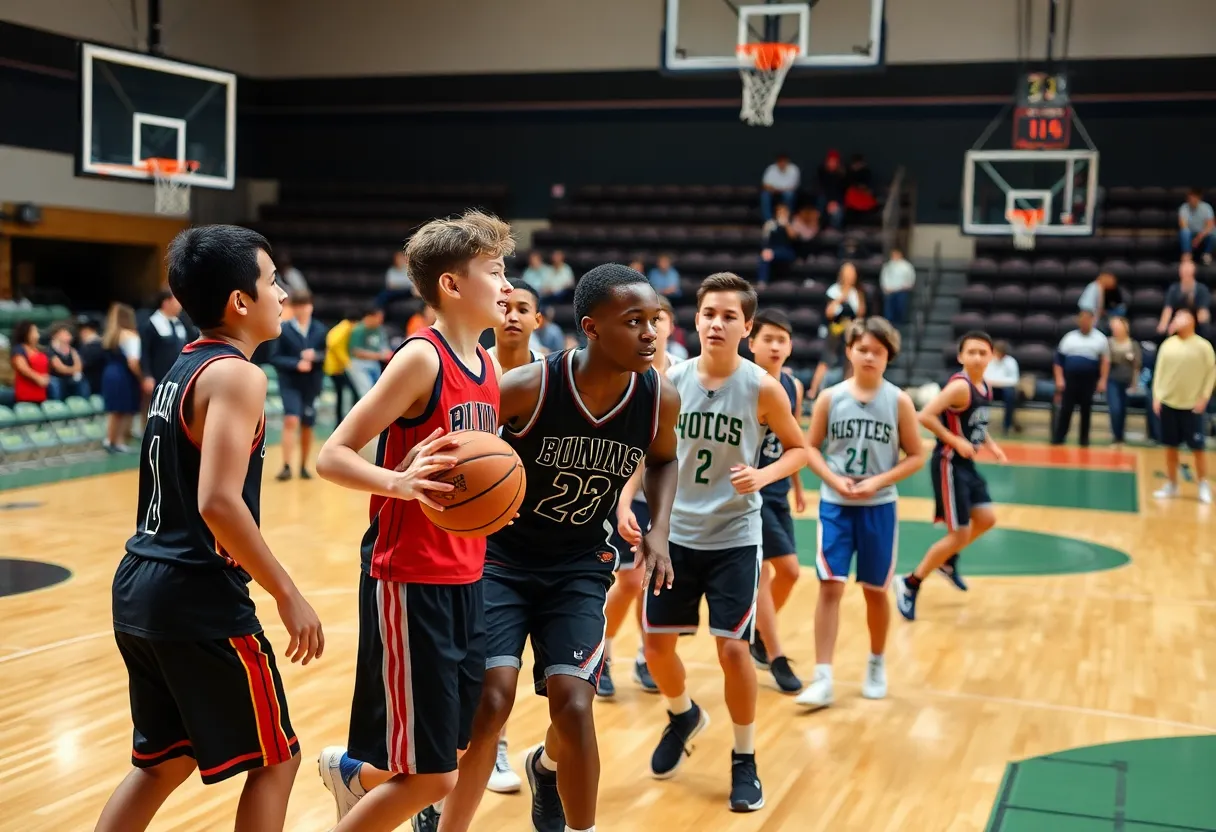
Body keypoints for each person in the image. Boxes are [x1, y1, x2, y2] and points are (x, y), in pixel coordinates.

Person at [429, 263, 680, 832]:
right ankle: (445, 818)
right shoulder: (528, 388)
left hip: (578, 567)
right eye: (633, 321)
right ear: (591, 328)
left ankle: (561, 797)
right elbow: (456, 456)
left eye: (655, 321)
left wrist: (659, 530)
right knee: (491, 701)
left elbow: (663, 459)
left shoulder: (658, 398)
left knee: (572, 703)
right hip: (501, 561)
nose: (649, 333)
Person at [96, 225, 322, 832]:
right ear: (239, 301)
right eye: (272, 282)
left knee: (162, 762)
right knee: (278, 758)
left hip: (141, 579)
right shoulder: (237, 375)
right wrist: (288, 593)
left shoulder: (182, 368)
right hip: (196, 593)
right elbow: (219, 502)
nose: (282, 294)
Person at [312, 210, 515, 832]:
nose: (507, 285)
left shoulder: (491, 370)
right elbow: (333, 454)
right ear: (451, 286)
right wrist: (397, 482)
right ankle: (353, 777)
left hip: (467, 578)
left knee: (445, 754)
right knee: (433, 777)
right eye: (495, 271)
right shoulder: (421, 360)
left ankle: (351, 775)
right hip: (409, 578)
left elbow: (483, 480)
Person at [641, 272, 808, 813]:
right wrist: (625, 503)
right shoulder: (670, 380)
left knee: (734, 648)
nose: (717, 322)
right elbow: (649, 452)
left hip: (735, 535)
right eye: (709, 312)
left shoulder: (763, 387)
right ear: (696, 319)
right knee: (656, 647)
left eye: (729, 315)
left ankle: (744, 757)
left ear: (747, 326)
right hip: (675, 534)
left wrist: (765, 475)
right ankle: (683, 713)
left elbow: (798, 449)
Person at [796, 317, 925, 709]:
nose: (869, 356)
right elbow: (810, 447)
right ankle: (823, 677)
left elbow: (918, 455)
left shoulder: (898, 400)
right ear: (849, 351)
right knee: (830, 585)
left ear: (889, 357)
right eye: (863, 348)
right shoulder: (830, 398)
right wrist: (832, 481)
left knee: (874, 591)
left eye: (878, 351)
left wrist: (879, 480)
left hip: (878, 507)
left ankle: (876, 662)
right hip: (837, 506)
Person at [478, 276, 545, 800]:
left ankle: (497, 745)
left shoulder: (553, 375)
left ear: (538, 319)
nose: (512, 315)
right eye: (504, 306)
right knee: (480, 655)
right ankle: (481, 744)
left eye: (523, 307)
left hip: (532, 529)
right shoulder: (470, 366)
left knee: (503, 656)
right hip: (471, 523)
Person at [601, 293, 682, 698]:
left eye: (661, 318)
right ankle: (604, 653)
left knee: (656, 584)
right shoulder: (630, 374)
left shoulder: (683, 376)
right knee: (631, 580)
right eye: (646, 319)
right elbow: (638, 454)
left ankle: (643, 656)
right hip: (630, 491)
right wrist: (622, 502)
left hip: (673, 498)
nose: (655, 326)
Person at [893, 331, 1007, 621]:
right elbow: (926, 416)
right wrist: (955, 441)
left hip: (966, 466)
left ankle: (948, 561)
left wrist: (991, 446)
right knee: (960, 533)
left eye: (983, 352)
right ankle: (909, 583)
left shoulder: (985, 387)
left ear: (991, 356)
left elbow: (977, 422)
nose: (978, 357)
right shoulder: (960, 387)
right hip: (948, 463)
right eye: (972, 352)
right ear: (961, 356)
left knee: (987, 519)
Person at [746, 310, 806, 694]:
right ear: (752, 343)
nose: (775, 345)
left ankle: (756, 635)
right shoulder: (745, 383)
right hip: (750, 489)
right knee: (778, 570)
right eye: (768, 338)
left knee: (786, 574)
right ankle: (776, 653)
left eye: (782, 340)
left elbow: (792, 440)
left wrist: (798, 485)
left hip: (778, 489)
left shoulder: (793, 386)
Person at [1151, 309, 1214, 504]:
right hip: (1169, 403)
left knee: (1198, 448)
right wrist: (1156, 396)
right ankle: (1171, 483)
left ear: (1192, 321)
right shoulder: (1167, 345)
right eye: (1176, 317)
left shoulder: (1203, 346)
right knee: (1170, 447)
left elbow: (1211, 373)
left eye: (1182, 317)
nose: (1177, 320)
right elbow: (1159, 372)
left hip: (1192, 406)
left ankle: (1203, 484)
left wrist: (1204, 397)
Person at [269, 290, 327, 481]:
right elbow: (275, 357)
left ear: (311, 306)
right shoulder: (283, 330)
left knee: (307, 424)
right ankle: (286, 465)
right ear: (293, 308)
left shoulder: (319, 329)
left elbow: (326, 356)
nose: (303, 310)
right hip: (290, 382)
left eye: (306, 305)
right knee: (291, 419)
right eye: (299, 306)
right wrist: (296, 363)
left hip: (311, 384)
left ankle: (303, 465)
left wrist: (316, 356)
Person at [1052, 309, 1109, 447]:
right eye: (1082, 319)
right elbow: (1058, 361)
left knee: (1086, 410)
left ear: (1092, 321)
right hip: (1070, 379)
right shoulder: (1069, 338)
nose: (1085, 322)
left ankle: (1084, 441)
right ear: (1078, 321)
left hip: (1089, 380)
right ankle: (1059, 438)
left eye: (1087, 319)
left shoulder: (1100, 339)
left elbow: (1105, 361)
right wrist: (1059, 379)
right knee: (1066, 409)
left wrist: (1103, 380)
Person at [101, 303, 144, 453]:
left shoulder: (111, 335)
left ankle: (110, 440)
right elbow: (133, 362)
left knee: (114, 409)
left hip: (109, 373)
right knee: (124, 408)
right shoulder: (130, 335)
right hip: (123, 375)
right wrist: (142, 377)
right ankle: (118, 441)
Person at [139, 290, 191, 402]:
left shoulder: (180, 324)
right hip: (159, 377)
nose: (180, 306)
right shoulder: (151, 324)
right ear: (166, 303)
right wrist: (147, 376)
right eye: (176, 302)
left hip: (179, 377)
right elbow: (145, 351)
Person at [1106, 317, 1142, 449]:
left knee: (1123, 410)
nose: (1115, 329)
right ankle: (1116, 437)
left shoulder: (1133, 344)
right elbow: (1106, 362)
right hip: (1112, 380)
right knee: (1115, 409)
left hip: (1127, 381)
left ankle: (1121, 437)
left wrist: (1134, 383)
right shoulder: (1109, 343)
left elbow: (1136, 366)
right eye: (1113, 327)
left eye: (1117, 326)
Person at [347, 307, 392, 398]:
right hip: (359, 364)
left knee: (379, 391)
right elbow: (356, 351)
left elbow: (383, 346)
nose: (380, 320)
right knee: (366, 393)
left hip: (374, 364)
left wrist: (388, 353)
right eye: (378, 317)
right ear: (370, 317)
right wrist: (378, 355)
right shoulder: (358, 330)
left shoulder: (379, 330)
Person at [1158, 259, 1212, 335]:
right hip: (1176, 322)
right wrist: (1163, 325)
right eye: (1184, 270)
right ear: (1180, 272)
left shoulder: (1201, 289)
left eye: (1188, 270)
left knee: (1206, 329)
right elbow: (1168, 309)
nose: (1186, 272)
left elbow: (1202, 311)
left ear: (1194, 271)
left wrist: (1192, 321)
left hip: (1195, 323)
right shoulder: (1173, 289)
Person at [324, 314, 359, 424]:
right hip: (336, 368)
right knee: (353, 393)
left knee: (343, 396)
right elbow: (334, 344)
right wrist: (347, 362)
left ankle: (342, 423)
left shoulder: (343, 327)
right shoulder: (345, 328)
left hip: (337, 367)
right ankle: (347, 422)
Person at [9, 319, 50, 404]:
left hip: (41, 392)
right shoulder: (19, 349)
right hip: (26, 393)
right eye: (33, 331)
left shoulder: (39, 349)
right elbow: (22, 367)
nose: (37, 334)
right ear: (25, 333)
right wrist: (38, 378)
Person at [984, 340, 1021, 434]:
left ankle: (1006, 426)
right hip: (991, 388)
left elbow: (1014, 381)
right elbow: (984, 378)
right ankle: (981, 422)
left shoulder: (1011, 362)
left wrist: (996, 382)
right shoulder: (988, 360)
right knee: (982, 390)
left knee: (1010, 393)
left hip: (1004, 389)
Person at [756, 203, 796, 287]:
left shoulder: (791, 223)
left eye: (784, 212)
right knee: (765, 256)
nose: (782, 214)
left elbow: (793, 237)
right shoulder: (770, 224)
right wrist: (766, 250)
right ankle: (762, 282)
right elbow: (765, 240)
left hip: (787, 251)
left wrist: (786, 225)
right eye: (780, 212)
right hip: (773, 250)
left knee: (769, 254)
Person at [47, 322, 88, 399]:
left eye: (68, 334)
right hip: (57, 378)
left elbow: (79, 367)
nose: (68, 336)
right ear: (56, 335)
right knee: (55, 383)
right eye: (65, 334)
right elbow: (60, 368)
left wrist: (74, 370)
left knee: (81, 379)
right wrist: (73, 370)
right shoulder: (50, 350)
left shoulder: (72, 350)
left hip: (70, 378)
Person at [879, 248, 915, 326]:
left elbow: (911, 277)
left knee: (900, 306)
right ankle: (889, 323)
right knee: (888, 309)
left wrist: (908, 285)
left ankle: (900, 323)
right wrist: (885, 287)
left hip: (901, 290)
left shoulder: (907, 266)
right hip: (889, 290)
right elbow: (884, 277)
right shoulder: (888, 266)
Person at [1178, 187, 1215, 264]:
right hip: (1190, 234)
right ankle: (1187, 255)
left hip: (1203, 234)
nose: (1192, 199)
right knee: (1184, 232)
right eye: (1190, 196)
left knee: (1214, 232)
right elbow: (1183, 225)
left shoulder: (1207, 207)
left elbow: (1210, 225)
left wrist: (1199, 238)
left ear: (1199, 197)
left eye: (1194, 196)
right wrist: (1193, 238)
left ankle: (1206, 254)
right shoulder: (1184, 207)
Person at [760, 153, 800, 221]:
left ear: (787, 161)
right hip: (773, 192)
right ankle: (768, 220)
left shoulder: (794, 169)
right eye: (780, 161)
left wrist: (780, 189)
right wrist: (774, 189)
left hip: (787, 192)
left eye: (784, 161)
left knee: (789, 195)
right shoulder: (771, 169)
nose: (782, 163)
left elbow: (793, 187)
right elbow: (765, 185)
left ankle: (786, 219)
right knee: (765, 195)